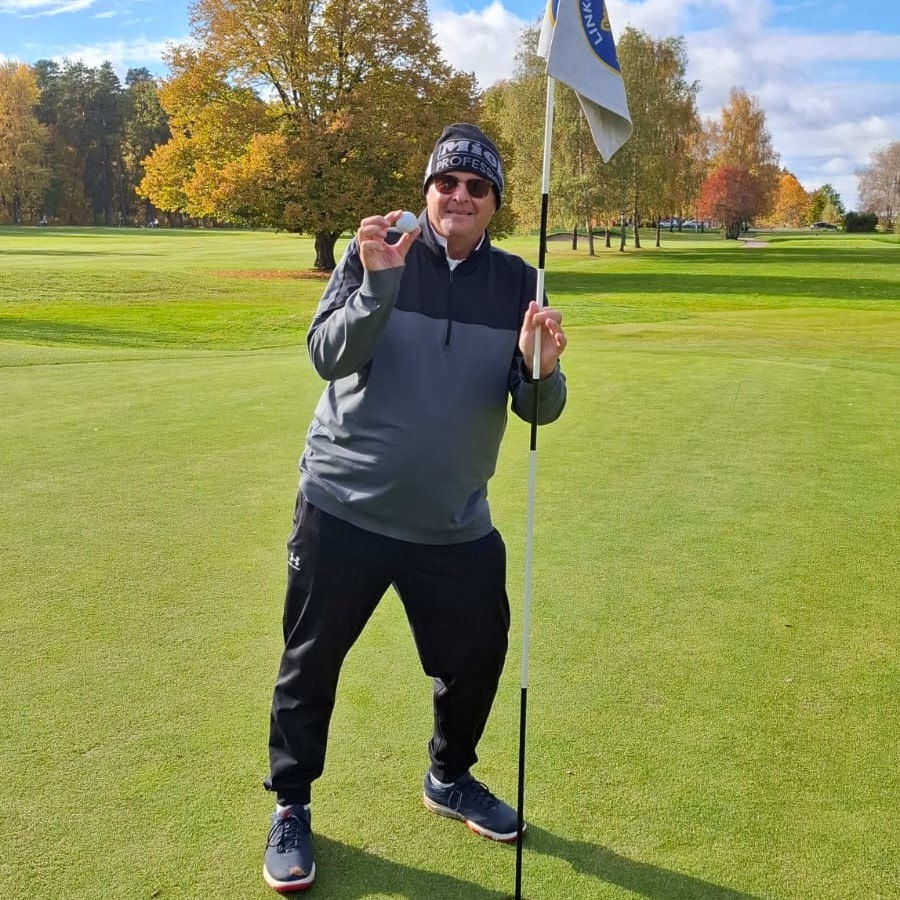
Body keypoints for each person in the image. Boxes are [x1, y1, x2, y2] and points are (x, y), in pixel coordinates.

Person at [262, 122, 568, 892]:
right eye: (446, 183)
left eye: (476, 186)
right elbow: (328, 355)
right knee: (310, 661)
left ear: (495, 202)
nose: (458, 196)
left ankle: (449, 775)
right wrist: (377, 282)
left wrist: (541, 370)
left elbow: (539, 407)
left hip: (452, 522)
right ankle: (291, 805)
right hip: (344, 505)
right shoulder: (377, 248)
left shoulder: (520, 283)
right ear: (427, 189)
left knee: (477, 655)